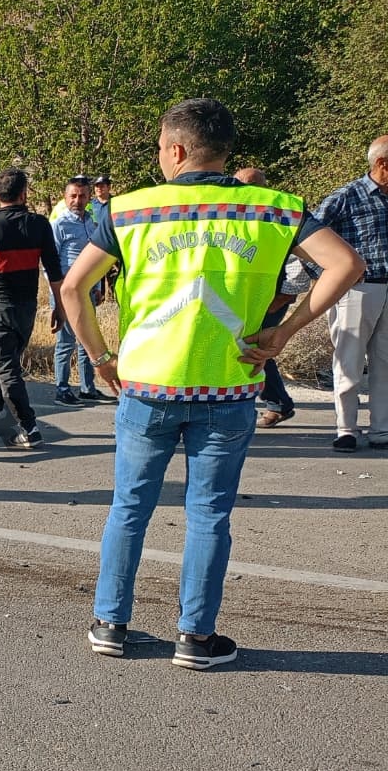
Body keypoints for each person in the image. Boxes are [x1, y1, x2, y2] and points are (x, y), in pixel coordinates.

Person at [61, 98, 362, 670]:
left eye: (159, 149)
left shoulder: (128, 211)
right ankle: (195, 637)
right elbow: (345, 264)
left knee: (130, 506)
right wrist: (284, 332)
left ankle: (110, 624)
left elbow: (74, 288)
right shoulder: (275, 209)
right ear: (225, 150)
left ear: (175, 150)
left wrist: (101, 358)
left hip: (147, 384)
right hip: (229, 387)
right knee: (209, 514)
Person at [0, 168, 64, 448]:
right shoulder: (40, 225)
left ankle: (29, 427)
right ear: (24, 194)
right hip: (27, 308)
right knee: (7, 364)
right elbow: (54, 271)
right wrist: (59, 307)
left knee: (6, 368)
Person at [315, 136, 388, 451]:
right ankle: (346, 428)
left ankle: (381, 429)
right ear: (382, 164)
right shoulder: (347, 196)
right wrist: (326, 278)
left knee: (385, 362)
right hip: (357, 288)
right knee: (349, 359)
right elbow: (309, 237)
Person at [234, 168, 309, 428]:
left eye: (251, 184)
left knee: (256, 346)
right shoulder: (240, 216)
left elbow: (298, 264)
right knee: (248, 345)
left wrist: (281, 299)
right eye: (239, 184)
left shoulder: (280, 216)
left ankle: (277, 403)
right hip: (246, 297)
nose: (244, 188)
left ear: (265, 186)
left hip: (272, 298)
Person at [51, 178, 113, 405]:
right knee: (65, 342)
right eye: (73, 196)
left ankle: (88, 388)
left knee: (87, 340)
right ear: (65, 197)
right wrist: (57, 295)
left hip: (87, 290)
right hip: (67, 292)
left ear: (89, 197)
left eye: (82, 196)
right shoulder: (59, 225)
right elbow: (51, 263)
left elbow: (95, 260)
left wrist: (97, 287)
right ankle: (62, 389)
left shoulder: (92, 223)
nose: (77, 200)